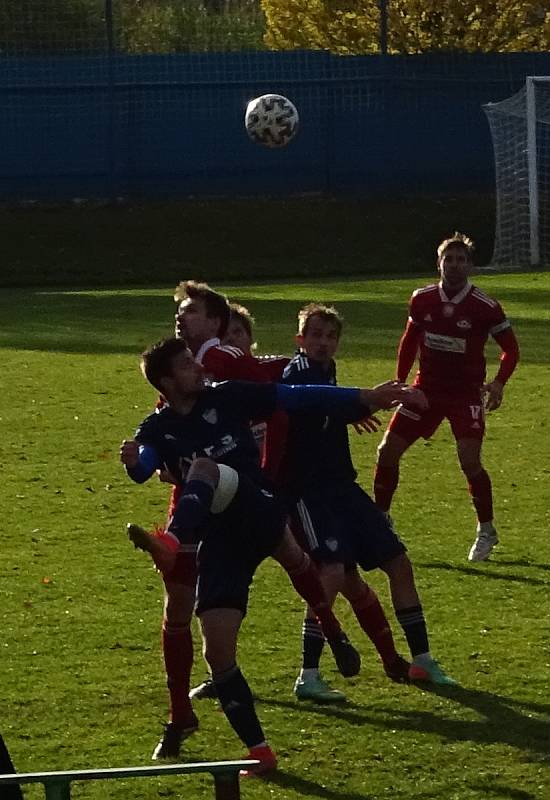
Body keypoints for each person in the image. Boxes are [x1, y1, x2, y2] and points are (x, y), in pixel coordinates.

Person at [121, 336, 411, 772]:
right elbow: (144, 467)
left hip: (256, 503)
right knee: (216, 653)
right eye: (186, 365)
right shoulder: (157, 428)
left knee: (205, 472)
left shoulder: (229, 395)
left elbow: (297, 397)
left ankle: (173, 541)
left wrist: (362, 397)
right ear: (166, 382)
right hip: (220, 538)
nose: (198, 368)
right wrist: (132, 460)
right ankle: (260, 752)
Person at [279, 303, 456, 687]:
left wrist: (354, 409)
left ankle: (422, 659)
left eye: (330, 336)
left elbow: (325, 407)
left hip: (343, 486)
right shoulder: (298, 371)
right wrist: (371, 399)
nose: (322, 343)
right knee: (330, 573)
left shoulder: (326, 371)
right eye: (315, 335)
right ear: (300, 340)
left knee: (398, 561)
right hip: (310, 492)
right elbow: (310, 400)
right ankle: (308, 675)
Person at [148, 282, 289, 761]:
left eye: (189, 311)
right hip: (187, 508)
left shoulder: (226, 372)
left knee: (305, 561)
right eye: (179, 312)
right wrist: (151, 459)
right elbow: (163, 453)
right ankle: (179, 713)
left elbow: (277, 399)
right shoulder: (174, 375)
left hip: (238, 505)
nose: (180, 318)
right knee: (176, 611)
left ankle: (329, 644)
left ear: (214, 321)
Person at [373, 232, 520, 561]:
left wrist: (498, 383)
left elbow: (511, 349)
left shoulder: (485, 307)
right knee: (387, 451)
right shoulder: (422, 299)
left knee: (470, 461)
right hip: (424, 390)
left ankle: (487, 530)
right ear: (438, 264)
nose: (453, 265)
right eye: (448, 259)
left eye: (460, 260)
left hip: (464, 395)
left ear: (470, 266)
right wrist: (400, 383)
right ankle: (380, 520)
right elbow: (408, 341)